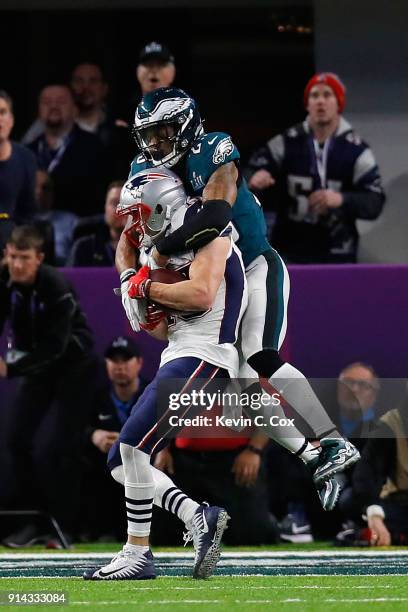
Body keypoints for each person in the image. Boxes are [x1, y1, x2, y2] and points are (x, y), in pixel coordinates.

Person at [117, 86, 360, 506]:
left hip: (252, 264)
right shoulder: (145, 167)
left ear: (187, 125)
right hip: (216, 278)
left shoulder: (211, 149)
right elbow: (129, 228)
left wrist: (157, 252)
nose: (156, 145)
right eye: (149, 136)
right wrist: (128, 276)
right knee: (241, 390)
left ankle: (334, 440)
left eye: (164, 132)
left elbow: (215, 216)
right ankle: (315, 455)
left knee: (261, 356)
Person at [83, 168, 247, 580]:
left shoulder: (204, 224)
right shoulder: (157, 245)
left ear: (159, 203)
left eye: (137, 213)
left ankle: (137, 552)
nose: (132, 224)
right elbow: (157, 329)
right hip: (181, 353)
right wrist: (136, 291)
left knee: (132, 449)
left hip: (209, 356)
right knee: (120, 461)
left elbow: (202, 294)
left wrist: (144, 289)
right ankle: (196, 514)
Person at [0, 225, 98, 546]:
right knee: (16, 440)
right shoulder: (5, 281)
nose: (16, 265)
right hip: (37, 367)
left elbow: (56, 347)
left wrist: (12, 367)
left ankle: (66, 525)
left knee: (61, 447)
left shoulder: (56, 286)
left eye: (24, 258)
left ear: (39, 258)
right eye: (12, 257)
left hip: (74, 367)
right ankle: (31, 520)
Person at [245, 72, 385, 263]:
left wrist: (341, 199)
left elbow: (374, 201)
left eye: (327, 95)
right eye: (314, 95)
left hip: (339, 253)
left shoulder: (356, 150)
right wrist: (255, 177)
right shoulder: (287, 141)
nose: (320, 101)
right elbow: (247, 172)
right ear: (307, 104)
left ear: (338, 103)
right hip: (291, 252)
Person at [81, 336, 147, 541]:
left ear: (139, 363)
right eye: (114, 360)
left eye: (126, 360)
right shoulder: (94, 395)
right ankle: (93, 531)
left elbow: (170, 428)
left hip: (145, 473)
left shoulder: (151, 394)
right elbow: (73, 429)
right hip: (105, 475)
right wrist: (93, 434)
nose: (120, 367)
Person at [27, 84, 107, 216]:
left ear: (75, 110)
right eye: (46, 102)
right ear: (38, 111)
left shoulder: (95, 148)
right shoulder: (26, 152)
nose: (53, 106)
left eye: (61, 101)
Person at [350, 388, 408, 546]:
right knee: (349, 500)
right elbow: (365, 472)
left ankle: (390, 534)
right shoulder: (391, 424)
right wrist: (374, 512)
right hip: (399, 503)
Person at [0, 90, 37, 251]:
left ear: (11, 120)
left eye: (2, 112)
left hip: (14, 241)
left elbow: (27, 213)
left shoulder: (25, 158)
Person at [67, 180, 126, 266]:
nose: (120, 209)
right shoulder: (84, 248)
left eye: (126, 202)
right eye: (114, 203)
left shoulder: (147, 249)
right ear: (105, 208)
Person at [34, 169, 78, 265]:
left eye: (45, 188)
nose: (39, 192)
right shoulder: (17, 220)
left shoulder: (71, 220)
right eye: (34, 186)